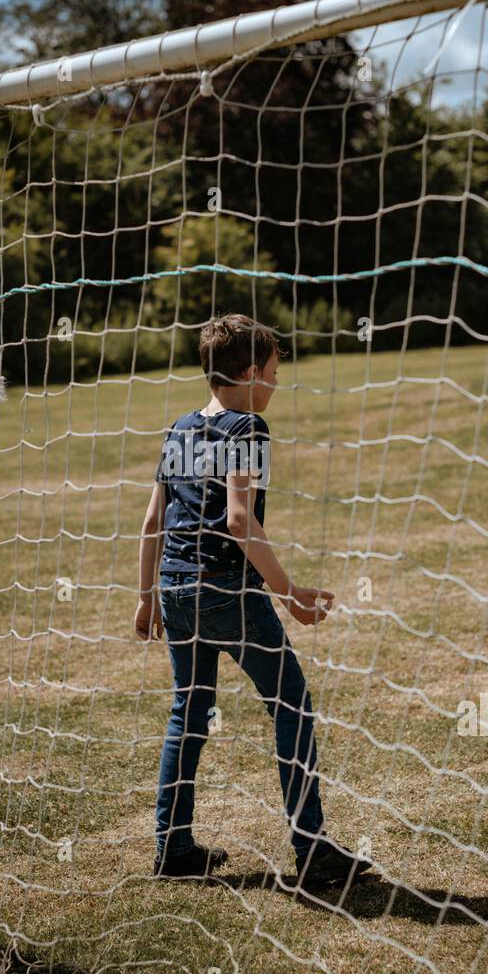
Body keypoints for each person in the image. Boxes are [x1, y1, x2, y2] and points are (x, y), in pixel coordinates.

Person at [135, 313, 371, 892]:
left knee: (186, 716)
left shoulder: (179, 428)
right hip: (226, 589)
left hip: (175, 587)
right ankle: (312, 850)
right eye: (271, 372)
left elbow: (152, 521)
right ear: (247, 373)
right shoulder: (249, 429)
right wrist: (290, 595)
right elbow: (240, 521)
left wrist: (147, 599)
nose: (274, 384)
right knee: (291, 704)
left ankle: (173, 846)